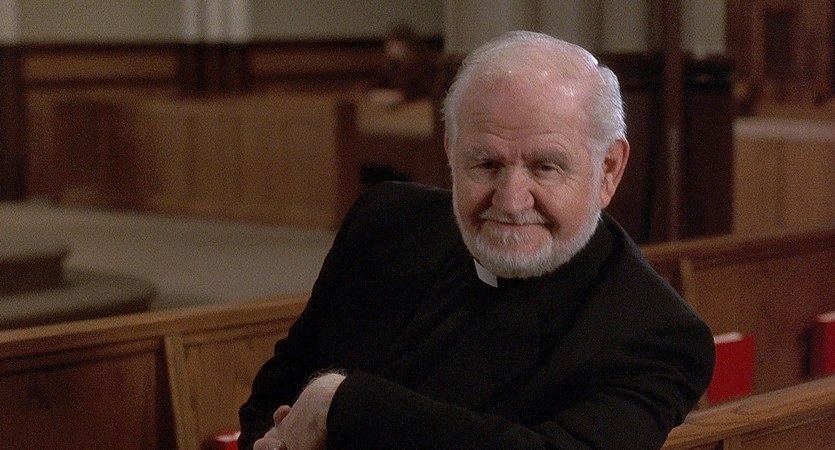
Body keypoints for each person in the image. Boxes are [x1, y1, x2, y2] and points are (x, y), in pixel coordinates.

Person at [239, 30, 715, 450]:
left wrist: (339, 404)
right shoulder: (385, 223)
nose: (510, 200)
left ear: (608, 169)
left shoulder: (655, 333)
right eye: (485, 164)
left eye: (545, 167)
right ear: (451, 154)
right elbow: (274, 394)